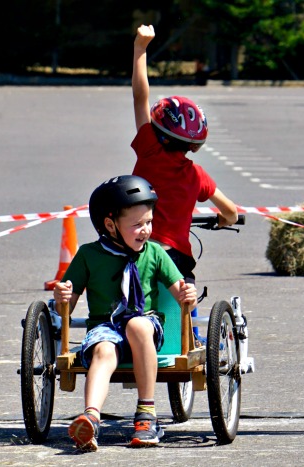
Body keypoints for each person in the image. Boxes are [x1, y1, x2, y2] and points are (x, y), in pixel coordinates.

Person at [53, 175, 197, 451]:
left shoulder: (154, 252)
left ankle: (146, 415)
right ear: (110, 225)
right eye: (137, 225)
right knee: (103, 349)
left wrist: (186, 293)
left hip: (145, 327)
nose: (145, 230)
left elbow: (179, 289)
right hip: (105, 328)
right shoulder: (88, 255)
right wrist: (63, 296)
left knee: (138, 326)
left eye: (149, 223)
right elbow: (67, 305)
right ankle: (91, 417)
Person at [130, 24, 238, 342]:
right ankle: (188, 335)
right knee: (182, 295)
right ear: (193, 144)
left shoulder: (148, 149)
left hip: (134, 248)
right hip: (174, 255)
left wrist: (140, 48)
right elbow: (230, 212)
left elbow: (140, 96)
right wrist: (222, 220)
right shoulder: (196, 175)